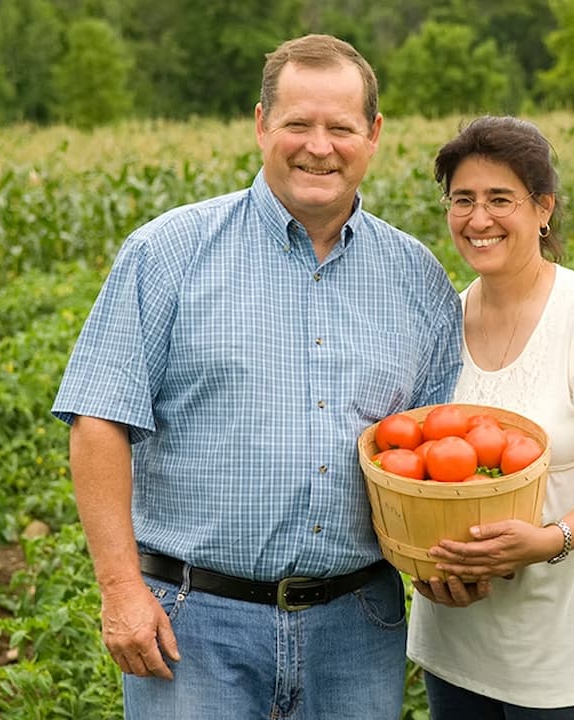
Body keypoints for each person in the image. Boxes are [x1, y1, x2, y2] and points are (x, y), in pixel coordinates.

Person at [51, 34, 463, 720]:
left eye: (340, 127)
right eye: (298, 123)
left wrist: (449, 564)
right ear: (261, 125)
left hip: (359, 623)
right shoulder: (168, 253)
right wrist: (121, 590)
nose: (319, 146)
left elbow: (430, 458)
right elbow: (99, 421)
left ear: (375, 134)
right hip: (194, 624)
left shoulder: (416, 277)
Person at [406, 116, 574, 719]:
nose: (479, 220)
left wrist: (549, 541)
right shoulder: (443, 319)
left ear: (543, 208)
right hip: (459, 641)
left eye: (501, 199)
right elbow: (423, 469)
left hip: (571, 649)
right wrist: (429, 563)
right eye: (463, 200)